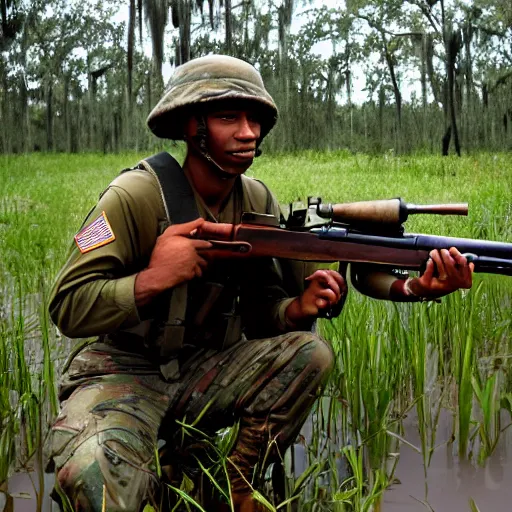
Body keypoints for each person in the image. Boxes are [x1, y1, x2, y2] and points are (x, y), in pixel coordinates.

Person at [47, 54, 473, 512]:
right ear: (192, 126)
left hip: (203, 371)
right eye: (229, 117)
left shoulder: (256, 198)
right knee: (96, 479)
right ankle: (160, 459)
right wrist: (150, 280)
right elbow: (67, 305)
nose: (248, 132)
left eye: (255, 119)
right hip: (124, 373)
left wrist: (298, 309)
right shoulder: (132, 197)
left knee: (310, 351)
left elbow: (261, 308)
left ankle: (235, 483)